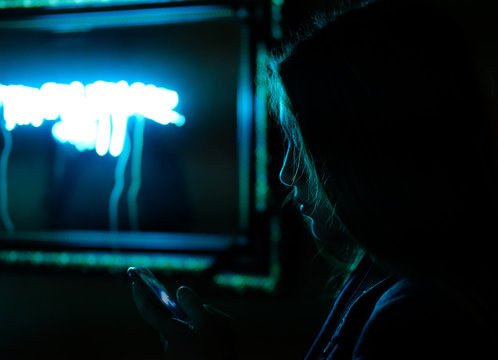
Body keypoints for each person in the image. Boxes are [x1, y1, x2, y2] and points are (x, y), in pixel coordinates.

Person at [131, 0, 498, 358]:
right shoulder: (384, 270)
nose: (286, 173)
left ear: (363, 150)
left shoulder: (415, 320)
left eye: (303, 144)